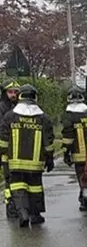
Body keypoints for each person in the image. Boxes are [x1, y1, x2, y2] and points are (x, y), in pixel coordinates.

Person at [0, 84, 55, 227]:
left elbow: (3, 141)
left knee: (18, 188)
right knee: (35, 188)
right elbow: (48, 142)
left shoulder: (10, 116)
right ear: (35, 97)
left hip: (14, 162)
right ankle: (35, 215)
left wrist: (3, 157)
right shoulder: (43, 118)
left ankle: (23, 212)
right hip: (36, 163)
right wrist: (49, 158)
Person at [0, 81, 21, 218]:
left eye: (15, 92)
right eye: (10, 92)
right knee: (9, 179)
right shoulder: (2, 108)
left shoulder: (21, 107)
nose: (13, 94)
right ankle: (11, 207)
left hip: (19, 150)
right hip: (6, 150)